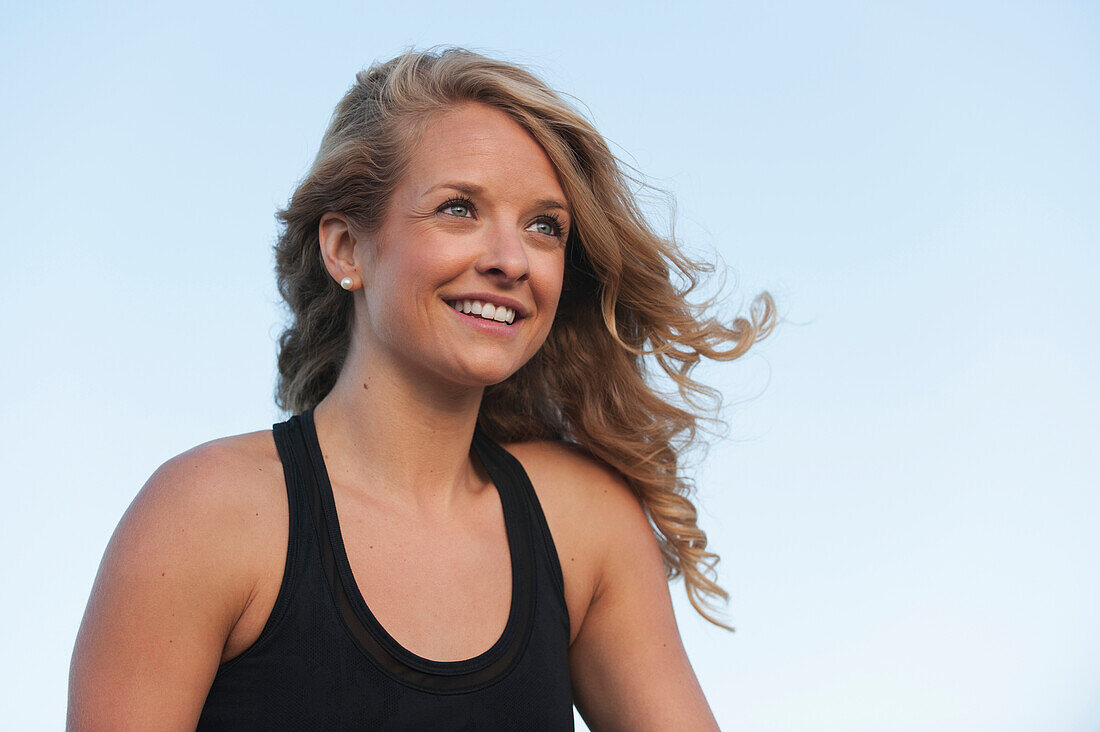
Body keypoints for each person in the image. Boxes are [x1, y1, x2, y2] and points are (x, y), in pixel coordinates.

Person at [68, 48, 775, 730]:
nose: (510, 260)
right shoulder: (204, 516)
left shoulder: (584, 525)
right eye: (459, 209)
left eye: (544, 226)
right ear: (346, 248)